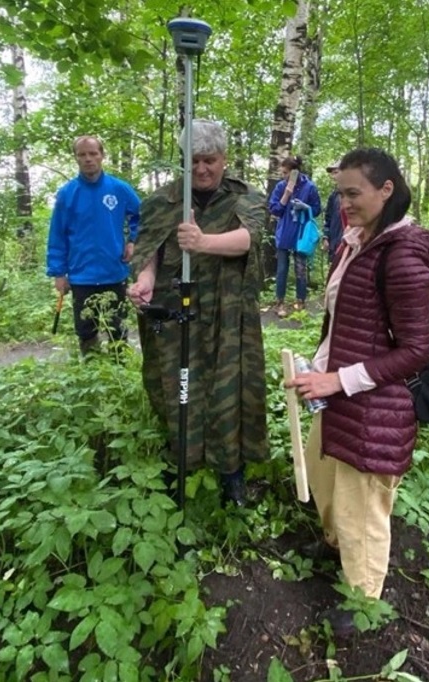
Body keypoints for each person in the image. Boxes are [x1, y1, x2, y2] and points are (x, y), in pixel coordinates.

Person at [284, 148, 429, 636]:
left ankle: (363, 601)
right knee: (324, 476)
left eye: (354, 193)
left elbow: (415, 351)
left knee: (363, 509)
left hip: (378, 406)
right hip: (340, 394)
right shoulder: (356, 242)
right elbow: (346, 322)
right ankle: (334, 546)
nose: (345, 204)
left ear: (386, 190)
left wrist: (337, 380)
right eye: (340, 194)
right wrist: (318, 369)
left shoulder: (403, 257)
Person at [127, 120, 268, 506]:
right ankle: (182, 463)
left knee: (229, 390)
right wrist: (145, 279)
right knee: (177, 387)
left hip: (228, 315)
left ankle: (231, 471)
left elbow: (249, 238)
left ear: (224, 159)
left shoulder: (246, 197)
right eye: (193, 161)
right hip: (176, 314)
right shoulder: (162, 201)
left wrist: (203, 242)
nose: (202, 169)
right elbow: (149, 250)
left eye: (210, 160)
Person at [46, 135, 142, 356]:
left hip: (114, 271)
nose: (88, 159)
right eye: (82, 154)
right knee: (86, 330)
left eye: (93, 153)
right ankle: (92, 369)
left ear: (102, 155)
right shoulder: (67, 194)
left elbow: (142, 216)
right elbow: (57, 235)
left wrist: (133, 241)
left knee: (117, 328)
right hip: (81, 276)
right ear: (76, 158)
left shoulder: (119, 189)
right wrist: (58, 273)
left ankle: (119, 368)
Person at [268, 156, 322, 317]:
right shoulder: (280, 186)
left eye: (286, 173)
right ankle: (280, 302)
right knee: (282, 269)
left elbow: (317, 209)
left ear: (295, 172)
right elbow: (274, 210)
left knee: (300, 268)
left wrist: (306, 207)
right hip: (284, 232)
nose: (283, 175)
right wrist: (286, 195)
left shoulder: (309, 187)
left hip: (301, 233)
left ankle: (301, 300)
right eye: (282, 173)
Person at [322, 161, 347, 263]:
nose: (333, 176)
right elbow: (328, 218)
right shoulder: (333, 196)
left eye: (336, 172)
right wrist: (325, 237)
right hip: (334, 243)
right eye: (332, 173)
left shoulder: (354, 195)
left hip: (348, 243)